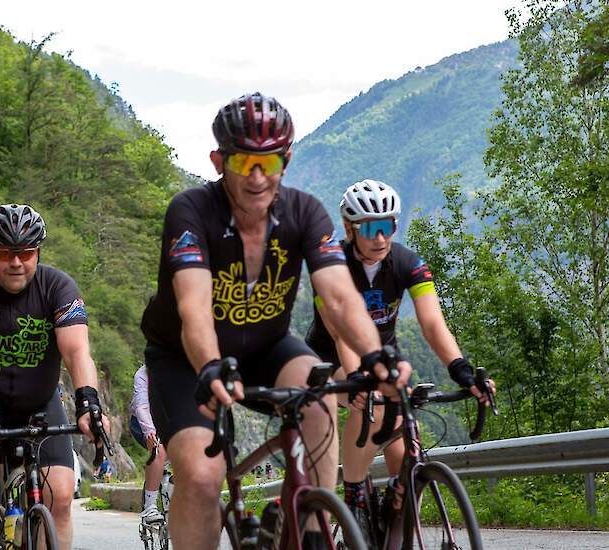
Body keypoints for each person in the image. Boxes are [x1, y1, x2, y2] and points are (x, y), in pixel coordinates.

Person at [139, 92, 412, 550]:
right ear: (218, 161)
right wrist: (209, 365)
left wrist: (376, 356)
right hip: (186, 358)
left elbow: (342, 297)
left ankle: (311, 529)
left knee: (321, 399)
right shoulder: (191, 211)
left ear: (287, 160)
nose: (259, 177)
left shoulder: (303, 212)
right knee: (204, 477)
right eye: (245, 163)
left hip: (266, 346)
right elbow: (193, 305)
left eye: (272, 162)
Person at [304, 178, 495, 513]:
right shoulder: (331, 266)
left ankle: (398, 521)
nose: (380, 237)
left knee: (407, 456)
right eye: (370, 228)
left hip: (384, 360)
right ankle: (354, 496)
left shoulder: (409, 264)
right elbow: (340, 333)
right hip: (330, 359)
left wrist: (462, 372)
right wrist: (359, 376)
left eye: (387, 226)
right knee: (373, 410)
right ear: (350, 229)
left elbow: (433, 325)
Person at [0, 203, 110, 550]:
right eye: (5, 253)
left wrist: (88, 402)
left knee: (59, 496)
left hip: (40, 399)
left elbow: (77, 351)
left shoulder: (59, 286)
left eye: (25, 253)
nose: (16, 262)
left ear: (38, 252)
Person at [129, 365, 166, 523]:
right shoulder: (143, 374)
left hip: (169, 419)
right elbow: (141, 407)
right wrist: (150, 431)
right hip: (142, 421)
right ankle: (149, 507)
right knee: (159, 451)